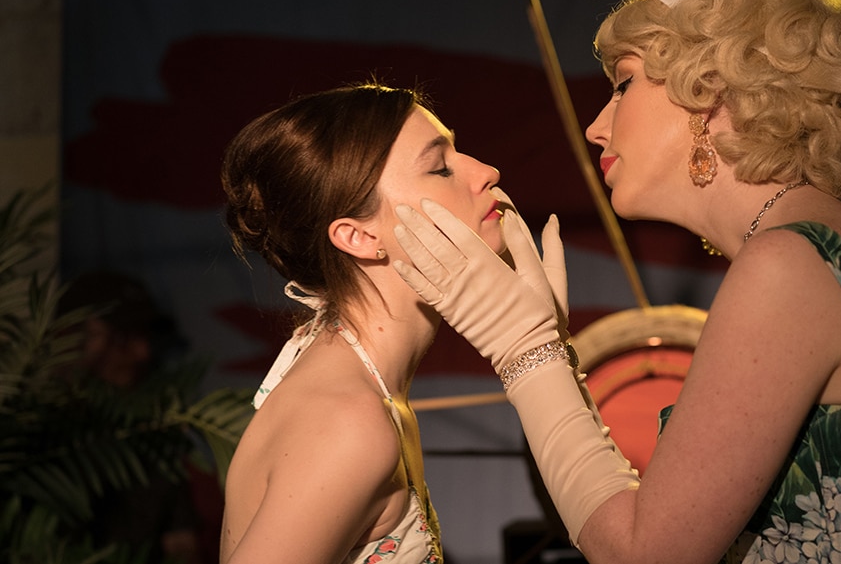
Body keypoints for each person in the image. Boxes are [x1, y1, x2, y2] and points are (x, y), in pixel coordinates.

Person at [393, 0, 841, 564]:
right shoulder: (826, 249)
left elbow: (644, 555)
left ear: (710, 91)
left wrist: (525, 352)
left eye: (624, 84)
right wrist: (554, 357)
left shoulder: (790, 264)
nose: (595, 127)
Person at [219, 81, 514, 564]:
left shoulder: (356, 383)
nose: (486, 172)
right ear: (358, 236)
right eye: (439, 167)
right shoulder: (347, 421)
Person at [57, 271, 204, 564]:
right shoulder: (28, 436)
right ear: (71, 338)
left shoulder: (152, 434)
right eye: (123, 337)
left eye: (145, 336)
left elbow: (181, 543)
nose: (142, 352)